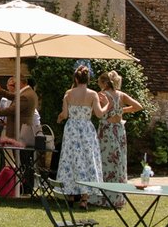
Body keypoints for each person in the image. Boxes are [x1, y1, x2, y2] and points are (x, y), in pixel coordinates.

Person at [56, 65, 107, 206]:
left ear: (76, 79)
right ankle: (84, 199)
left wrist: (59, 118)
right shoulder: (93, 94)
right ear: (88, 79)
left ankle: (71, 195)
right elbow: (99, 114)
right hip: (86, 129)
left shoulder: (69, 93)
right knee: (87, 160)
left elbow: (65, 114)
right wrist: (107, 105)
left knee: (71, 159)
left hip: (71, 128)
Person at [95, 69, 143, 183]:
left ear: (105, 83)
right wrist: (121, 110)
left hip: (106, 130)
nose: (98, 85)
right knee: (119, 158)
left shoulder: (101, 95)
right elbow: (138, 106)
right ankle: (118, 189)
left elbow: (97, 112)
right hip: (119, 130)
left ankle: (104, 190)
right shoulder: (121, 95)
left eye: (99, 83)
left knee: (105, 158)